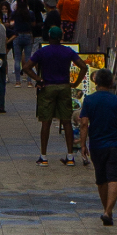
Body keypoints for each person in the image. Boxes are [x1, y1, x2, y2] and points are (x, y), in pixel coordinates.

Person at [78, 69, 117, 225]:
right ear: (111, 83)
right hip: (115, 145)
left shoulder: (89, 100)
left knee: (101, 179)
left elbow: (84, 123)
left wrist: (82, 144)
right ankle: (108, 211)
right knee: (114, 178)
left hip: (96, 145)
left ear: (96, 82)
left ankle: (107, 211)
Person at [26, 24, 84, 163]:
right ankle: (70, 156)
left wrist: (38, 79)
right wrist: (75, 83)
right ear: (61, 37)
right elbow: (83, 66)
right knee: (66, 121)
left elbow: (27, 67)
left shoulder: (43, 51)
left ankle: (44, 156)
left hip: (48, 87)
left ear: (49, 37)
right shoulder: (68, 51)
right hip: (64, 87)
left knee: (46, 122)